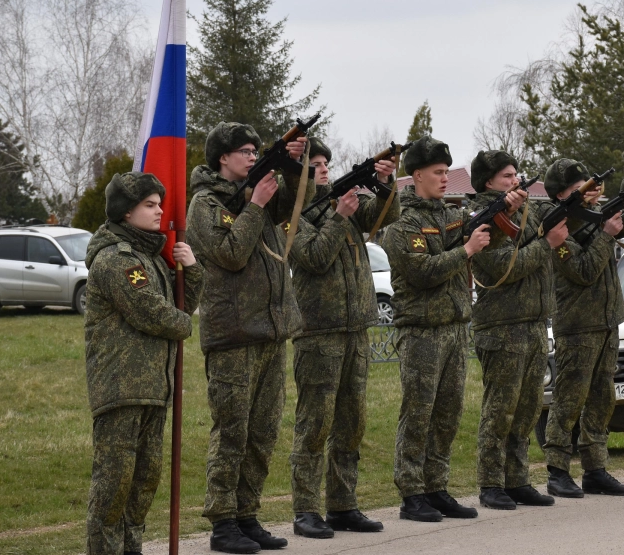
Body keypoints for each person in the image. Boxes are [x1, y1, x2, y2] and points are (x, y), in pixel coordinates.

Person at [188, 122, 314, 554]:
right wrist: (255, 206)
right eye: (244, 151)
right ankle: (223, 522)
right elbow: (229, 255)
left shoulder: (253, 195)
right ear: (222, 157)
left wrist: (292, 163)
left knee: (262, 433)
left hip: (271, 332)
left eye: (255, 151)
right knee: (232, 432)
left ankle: (247, 515)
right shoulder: (205, 204)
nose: (250, 156)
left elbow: (301, 200)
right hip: (233, 335)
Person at [84, 172, 203, 555]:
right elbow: (152, 312)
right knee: (113, 487)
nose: (159, 212)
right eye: (149, 206)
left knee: (143, 483)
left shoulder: (149, 258)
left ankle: (130, 548)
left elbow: (180, 306)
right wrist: (185, 326)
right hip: (121, 389)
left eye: (159, 204)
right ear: (125, 212)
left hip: (152, 389)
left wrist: (192, 269)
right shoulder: (116, 260)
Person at [287, 138, 397, 538]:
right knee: (314, 425)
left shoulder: (341, 208)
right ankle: (306, 509)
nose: (323, 169)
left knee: (352, 424)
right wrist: (337, 216)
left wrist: (384, 183)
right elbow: (313, 258)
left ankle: (343, 504)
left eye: (325, 163)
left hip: (355, 331)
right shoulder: (293, 213)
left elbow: (383, 215)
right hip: (319, 334)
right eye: (313, 165)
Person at [381, 135, 490, 522]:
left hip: (455, 327)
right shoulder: (401, 223)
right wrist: (466, 250)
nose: (446, 178)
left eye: (447, 171)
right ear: (417, 176)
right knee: (419, 413)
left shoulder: (451, 215)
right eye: (439, 172)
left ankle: (436, 486)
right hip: (422, 331)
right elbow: (422, 271)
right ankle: (412, 493)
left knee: (447, 413)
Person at [467, 151, 567, 510]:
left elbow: (548, 228)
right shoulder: (481, 217)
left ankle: (517, 478)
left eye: (516, 174)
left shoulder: (525, 209)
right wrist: (546, 244)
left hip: (534, 322)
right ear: (488, 182)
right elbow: (503, 265)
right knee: (500, 409)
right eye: (507, 176)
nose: (515, 181)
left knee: (526, 409)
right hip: (502, 325)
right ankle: (491, 482)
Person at [541, 159, 624, 499]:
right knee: (569, 402)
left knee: (602, 400)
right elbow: (584, 270)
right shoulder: (558, 231)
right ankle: (557, 470)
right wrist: (605, 236)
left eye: (588, 185)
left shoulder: (595, 220)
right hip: (578, 326)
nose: (588, 192)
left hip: (607, 321)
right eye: (578, 189)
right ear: (561, 196)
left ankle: (595, 469)